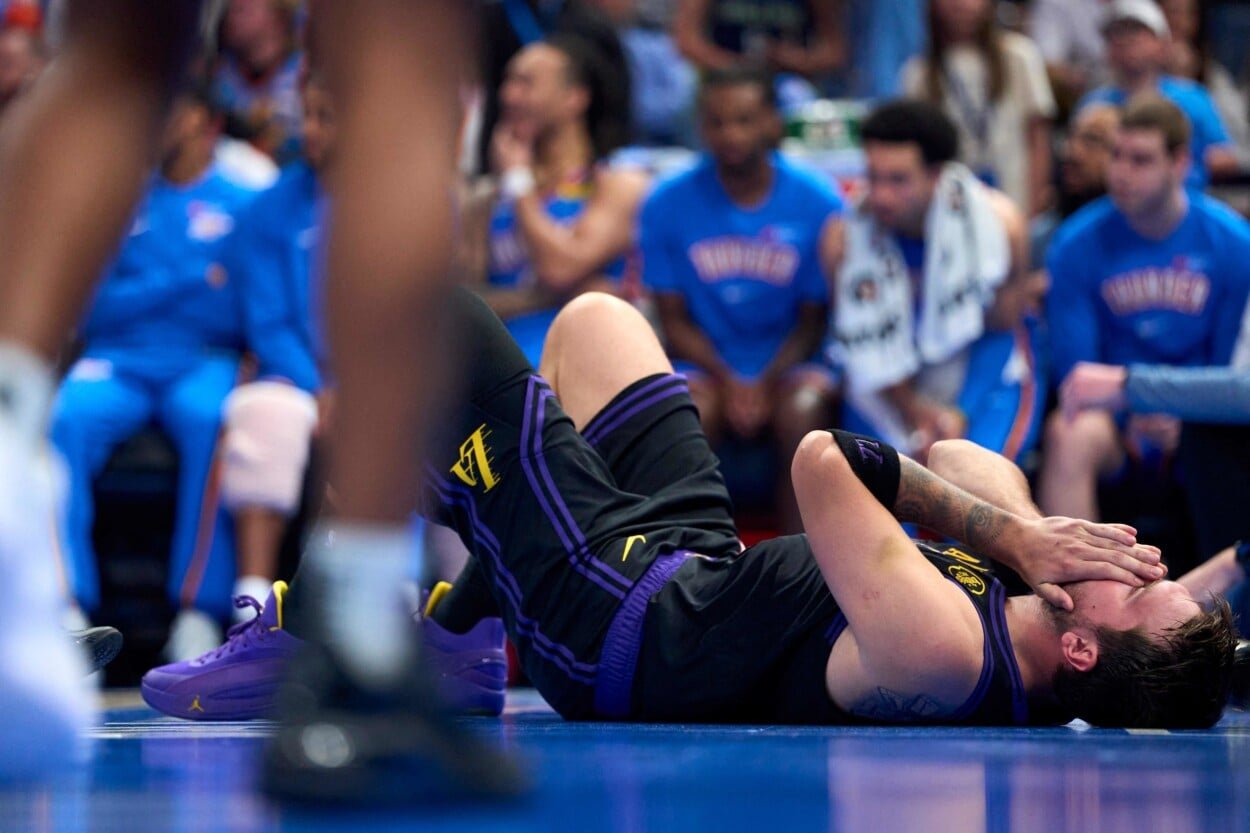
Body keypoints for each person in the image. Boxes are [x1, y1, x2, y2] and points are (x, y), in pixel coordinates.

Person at [139, 286, 1237, 729]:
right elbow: (958, 456)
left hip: (610, 626)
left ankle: (325, 625)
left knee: (425, 309)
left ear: (1082, 648)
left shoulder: (949, 653)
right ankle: (460, 635)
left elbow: (826, 463)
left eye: (1142, 587)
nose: (1140, 557)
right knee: (596, 322)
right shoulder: (1029, 599)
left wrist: (1014, 534)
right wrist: (1032, 541)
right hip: (688, 565)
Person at [0, 0, 521, 800]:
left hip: (215, 368)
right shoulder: (272, 204)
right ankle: (363, 645)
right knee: (393, 65)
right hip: (186, 367)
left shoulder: (244, 190)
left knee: (114, 57)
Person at [50, 82, 255, 662]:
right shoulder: (119, 197)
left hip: (204, 358)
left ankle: (197, 612)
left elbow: (233, 310)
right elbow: (91, 308)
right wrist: (187, 279)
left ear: (205, 122)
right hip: (119, 358)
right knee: (63, 416)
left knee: (213, 418)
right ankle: (66, 607)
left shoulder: (244, 201)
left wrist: (143, 292)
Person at [641, 67, 841, 534]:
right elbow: (673, 320)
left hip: (789, 361)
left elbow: (813, 321)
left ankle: (804, 560)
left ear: (772, 121)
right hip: (702, 363)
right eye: (717, 121)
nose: (731, 134)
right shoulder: (665, 202)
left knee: (803, 410)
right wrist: (729, 380)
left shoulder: (818, 201)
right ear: (701, 125)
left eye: (745, 120)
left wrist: (763, 382)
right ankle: (692, 554)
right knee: (688, 410)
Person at [1039, 95, 1250, 529]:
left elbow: (1231, 368)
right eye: (1116, 155)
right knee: (1068, 432)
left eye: (1141, 160)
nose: (1121, 172)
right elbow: (1077, 374)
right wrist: (1129, 414)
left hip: (1201, 419)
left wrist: (1184, 414)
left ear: (1179, 163)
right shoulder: (1075, 244)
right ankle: (1074, 572)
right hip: (1115, 425)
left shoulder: (1232, 242)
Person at [829, 99, 1044, 466]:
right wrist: (912, 410)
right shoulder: (842, 239)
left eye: (898, 180)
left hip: (978, 370)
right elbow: (862, 342)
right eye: (873, 177)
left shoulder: (1001, 227)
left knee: (979, 483)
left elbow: (1000, 331)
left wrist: (960, 412)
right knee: (875, 487)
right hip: (890, 384)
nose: (880, 195)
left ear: (936, 174)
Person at [217, 67, 333, 612]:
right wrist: (320, 387)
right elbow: (268, 323)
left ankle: (422, 607)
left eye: (326, 117)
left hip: (380, 380)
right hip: (295, 374)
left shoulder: (408, 202)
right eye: (306, 116)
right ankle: (252, 605)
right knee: (264, 412)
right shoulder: (268, 207)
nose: (310, 130)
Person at [463, 33, 647, 368]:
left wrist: (519, 183)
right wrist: (543, 298)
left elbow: (559, 268)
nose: (508, 95)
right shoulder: (487, 198)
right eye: (507, 82)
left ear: (574, 98)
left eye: (526, 83)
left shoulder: (616, 184)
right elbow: (465, 304)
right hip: (504, 373)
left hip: (588, 368)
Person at [901, 0, 1057, 216]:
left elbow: (1038, 138)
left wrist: (1034, 208)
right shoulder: (919, 73)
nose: (961, 4)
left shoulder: (1020, 56)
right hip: (951, 210)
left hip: (1015, 201)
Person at [1076, 0, 1238, 189]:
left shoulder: (1192, 97)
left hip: (1184, 199)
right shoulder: (1092, 104)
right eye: (1116, 33)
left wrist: (1170, 164)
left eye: (1136, 31)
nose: (1124, 40)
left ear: (1162, 44)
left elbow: (1227, 157)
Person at [1158, 0, 1250, 168]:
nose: (1178, 21)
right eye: (1171, 12)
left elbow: (1237, 145)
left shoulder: (1212, 74)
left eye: (1188, 14)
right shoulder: (1134, 72)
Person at [211, 0, 303, 163]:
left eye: (243, 9)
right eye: (230, 9)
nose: (231, 17)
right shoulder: (219, 72)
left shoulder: (302, 74)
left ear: (277, 16)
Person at [1030, 102, 1119, 269]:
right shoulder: (1041, 240)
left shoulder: (1141, 235)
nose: (1071, 152)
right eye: (1070, 137)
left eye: (1092, 140)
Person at [672, 0, 846, 82]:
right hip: (723, 77)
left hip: (787, 80)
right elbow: (686, 41)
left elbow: (833, 52)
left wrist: (793, 60)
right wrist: (739, 67)